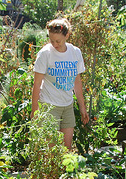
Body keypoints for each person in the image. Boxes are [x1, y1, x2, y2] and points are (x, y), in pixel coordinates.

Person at [31, 18, 89, 149]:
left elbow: (77, 82)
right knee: (52, 151)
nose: (54, 44)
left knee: (66, 150)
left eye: (58, 41)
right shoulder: (45, 54)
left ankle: (63, 171)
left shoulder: (75, 52)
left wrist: (82, 107)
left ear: (67, 35)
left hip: (67, 106)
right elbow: (37, 83)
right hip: (49, 106)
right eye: (51, 40)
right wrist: (35, 110)